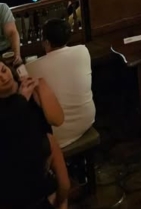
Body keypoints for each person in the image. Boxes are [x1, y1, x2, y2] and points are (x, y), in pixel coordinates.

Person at [0, 61, 70, 209]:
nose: (3, 77)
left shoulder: (35, 90)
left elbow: (57, 119)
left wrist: (39, 89)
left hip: (40, 193)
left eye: (3, 70)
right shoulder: (7, 118)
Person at [26, 18, 95, 149]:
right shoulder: (83, 51)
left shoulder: (31, 67)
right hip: (87, 120)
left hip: (57, 134)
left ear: (46, 42)